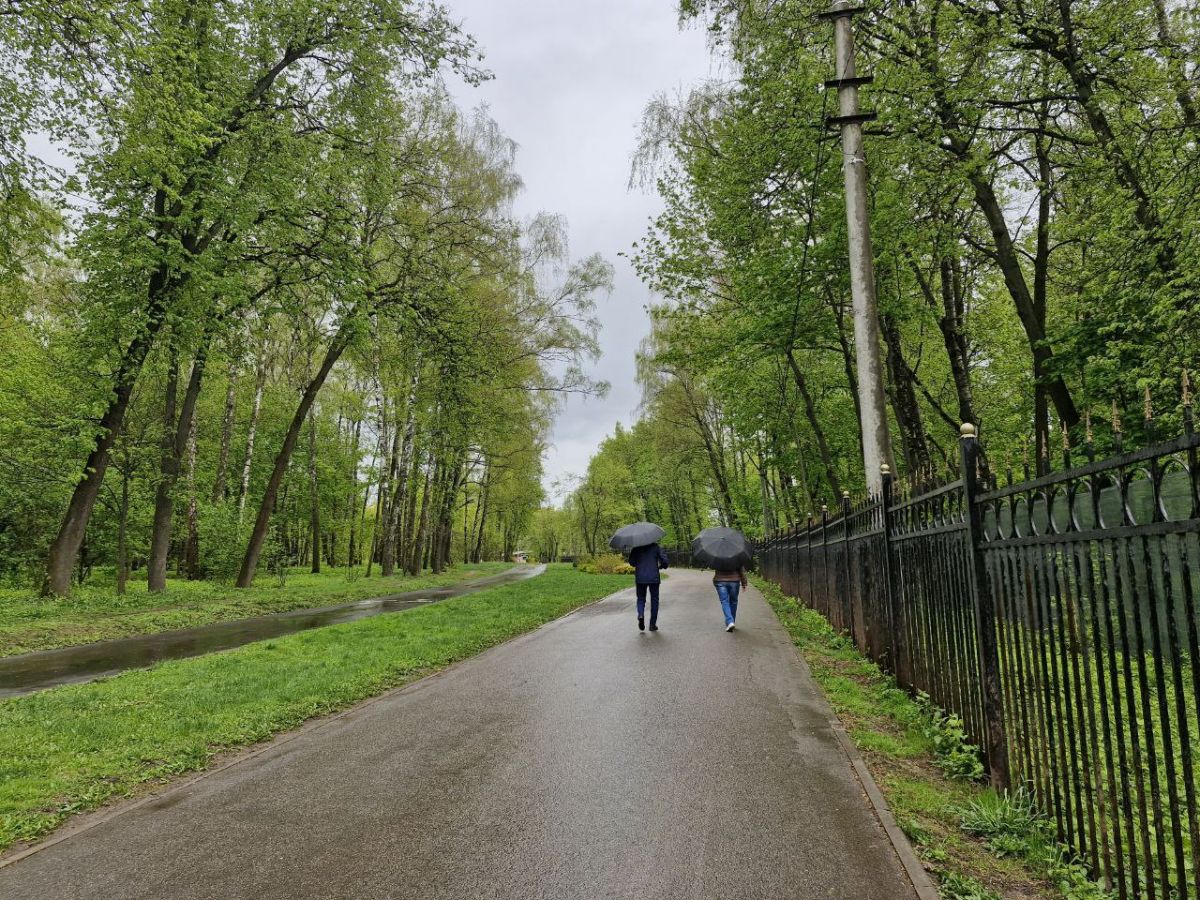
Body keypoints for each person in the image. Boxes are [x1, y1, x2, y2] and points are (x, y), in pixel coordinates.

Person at [628, 542, 669, 632]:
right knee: (654, 600)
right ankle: (652, 625)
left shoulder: (636, 547)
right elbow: (665, 561)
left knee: (641, 599)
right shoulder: (656, 547)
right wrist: (662, 566)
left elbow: (631, 562)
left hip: (640, 577)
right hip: (653, 577)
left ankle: (641, 615)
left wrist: (639, 564)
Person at [713, 566, 748, 632]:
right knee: (733, 602)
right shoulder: (737, 556)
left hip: (720, 580)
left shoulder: (717, 556)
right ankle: (732, 622)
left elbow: (713, 565)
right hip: (734, 581)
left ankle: (730, 622)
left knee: (724, 601)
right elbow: (741, 570)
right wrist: (744, 583)